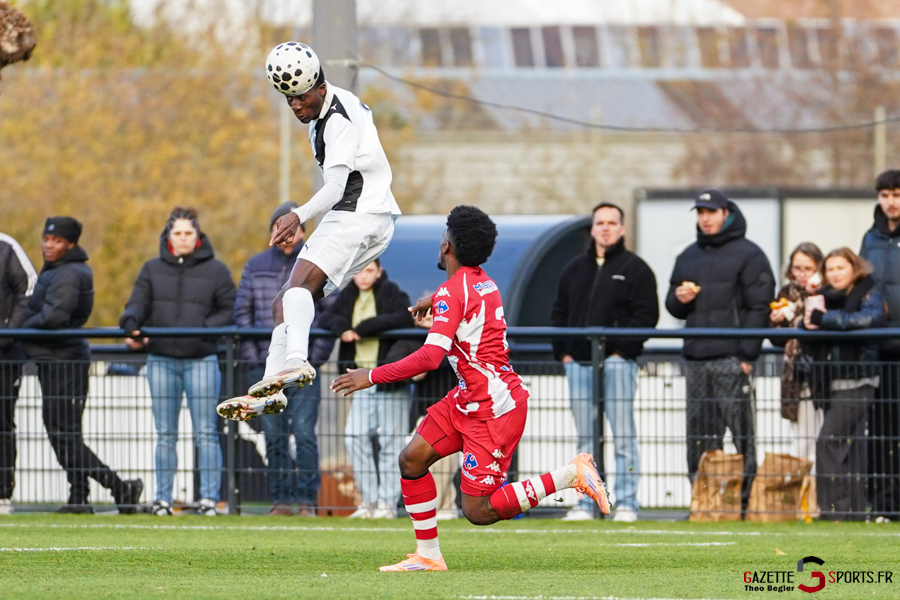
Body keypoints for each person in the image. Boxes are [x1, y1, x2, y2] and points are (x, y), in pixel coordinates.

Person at [332, 206, 610, 572]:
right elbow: (466, 296)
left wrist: (370, 375)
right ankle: (428, 556)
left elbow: (431, 357)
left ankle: (569, 475)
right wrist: (437, 300)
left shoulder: (454, 291)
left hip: (495, 408)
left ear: (447, 244)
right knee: (411, 459)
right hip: (467, 399)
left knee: (478, 511)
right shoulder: (483, 280)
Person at [217, 41, 400, 421]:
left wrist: (296, 215)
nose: (296, 106)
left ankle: (296, 363)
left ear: (319, 85)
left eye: (300, 98)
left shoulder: (336, 118)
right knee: (285, 301)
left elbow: (334, 188)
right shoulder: (326, 110)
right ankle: (270, 388)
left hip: (355, 212)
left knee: (296, 290)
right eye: (288, 100)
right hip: (369, 219)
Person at [119, 207, 236, 516]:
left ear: (197, 236)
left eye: (188, 233)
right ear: (169, 236)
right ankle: (163, 500)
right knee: (165, 434)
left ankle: (209, 500)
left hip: (201, 359)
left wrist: (203, 330)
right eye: (178, 233)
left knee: (206, 433)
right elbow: (136, 305)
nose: (183, 238)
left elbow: (230, 309)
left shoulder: (217, 271)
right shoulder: (151, 269)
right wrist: (129, 324)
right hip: (161, 360)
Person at [23, 217, 143, 514]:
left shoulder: (69, 273)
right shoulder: (60, 270)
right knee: (64, 433)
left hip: (65, 361)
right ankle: (80, 496)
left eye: (57, 241)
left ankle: (118, 487)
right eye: (47, 239)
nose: (49, 245)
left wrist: (22, 326)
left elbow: (53, 317)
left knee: (63, 434)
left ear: (71, 244)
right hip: (56, 359)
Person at [665, 189, 774, 514]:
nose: (705, 218)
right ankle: (705, 503)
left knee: (742, 437)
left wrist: (746, 357)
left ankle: (746, 504)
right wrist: (678, 299)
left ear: (727, 213)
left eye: (711, 211)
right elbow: (672, 305)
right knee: (699, 438)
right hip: (696, 360)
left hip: (732, 361)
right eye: (700, 212)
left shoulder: (750, 254)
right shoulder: (688, 255)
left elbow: (760, 308)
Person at [551, 202, 658, 522]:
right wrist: (565, 355)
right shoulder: (573, 269)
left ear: (622, 229)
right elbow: (558, 313)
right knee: (585, 440)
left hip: (618, 365)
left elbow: (646, 316)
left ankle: (627, 502)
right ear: (593, 229)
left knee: (624, 437)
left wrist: (620, 352)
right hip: (579, 366)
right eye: (601, 222)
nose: (606, 227)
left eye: (613, 222)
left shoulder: (637, 268)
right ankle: (586, 504)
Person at [234, 202, 333, 517]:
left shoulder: (320, 263)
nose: (288, 233)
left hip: (303, 370)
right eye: (280, 226)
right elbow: (243, 314)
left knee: (304, 434)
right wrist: (258, 361)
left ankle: (306, 501)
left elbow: (331, 318)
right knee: (274, 436)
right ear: (273, 232)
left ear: (303, 231)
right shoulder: (255, 265)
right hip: (267, 370)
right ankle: (280, 500)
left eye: (293, 227)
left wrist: (311, 359)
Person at [321, 259, 412, 518]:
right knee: (354, 436)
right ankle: (369, 503)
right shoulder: (348, 294)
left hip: (389, 378)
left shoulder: (392, 291)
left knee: (391, 442)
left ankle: (386, 504)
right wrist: (344, 330)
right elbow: (328, 317)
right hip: (360, 379)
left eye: (370, 270)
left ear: (379, 272)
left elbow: (403, 316)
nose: (364, 276)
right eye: (360, 271)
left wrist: (363, 329)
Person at [804, 248, 885, 520]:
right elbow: (810, 325)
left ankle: (833, 511)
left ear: (854, 267)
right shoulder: (826, 297)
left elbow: (867, 320)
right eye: (830, 269)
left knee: (828, 441)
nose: (835, 274)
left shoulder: (869, 291)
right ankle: (850, 512)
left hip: (859, 377)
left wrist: (822, 319)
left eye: (840, 267)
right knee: (846, 447)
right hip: (832, 378)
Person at [859, 169, 900, 521]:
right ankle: (885, 505)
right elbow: (861, 285)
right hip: (880, 348)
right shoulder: (869, 239)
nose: (891, 202)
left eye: (897, 194)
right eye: (885, 194)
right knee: (882, 430)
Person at [770, 243, 824, 472]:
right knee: (802, 439)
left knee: (821, 438)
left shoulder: (827, 292)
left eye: (808, 268)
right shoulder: (785, 294)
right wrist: (776, 322)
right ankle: (805, 496)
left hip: (821, 371)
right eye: (797, 268)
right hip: (795, 374)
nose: (802, 274)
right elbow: (776, 340)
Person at [0, 232, 36, 514]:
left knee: (2, 424)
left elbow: (28, 290)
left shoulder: (8, 247)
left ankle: (2, 494)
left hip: (5, 355)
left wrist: (7, 333)